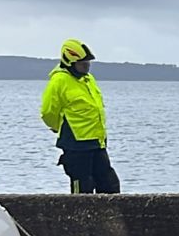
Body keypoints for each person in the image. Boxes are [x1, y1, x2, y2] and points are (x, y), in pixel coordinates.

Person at [40, 39, 119, 193]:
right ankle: (78, 215)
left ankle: (110, 213)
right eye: (83, 63)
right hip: (76, 143)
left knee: (109, 183)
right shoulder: (59, 81)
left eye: (88, 63)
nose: (87, 66)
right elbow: (48, 111)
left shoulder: (88, 79)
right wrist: (57, 127)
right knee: (82, 184)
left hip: (96, 140)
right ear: (70, 62)